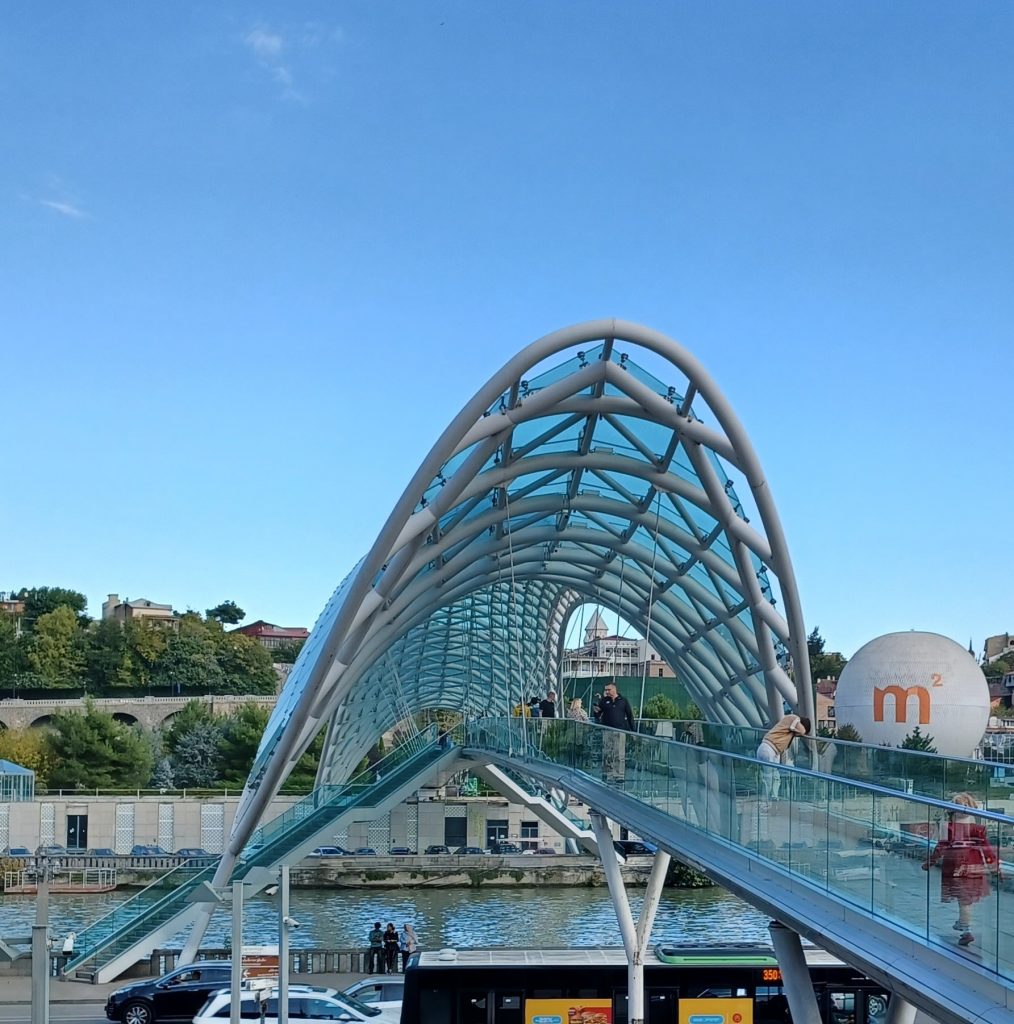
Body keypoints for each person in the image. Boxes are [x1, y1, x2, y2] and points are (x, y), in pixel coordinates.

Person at [922, 792, 1000, 947]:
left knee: (963, 899)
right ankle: (962, 922)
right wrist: (994, 867)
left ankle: (966, 929)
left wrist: (930, 862)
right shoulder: (977, 828)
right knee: (966, 899)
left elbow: (941, 847)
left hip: (956, 865)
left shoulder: (947, 827)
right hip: (974, 864)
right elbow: (986, 849)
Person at [755, 713, 811, 804]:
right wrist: (803, 733)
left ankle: (773, 797)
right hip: (769, 749)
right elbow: (802, 731)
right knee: (769, 778)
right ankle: (764, 802)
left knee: (775, 776)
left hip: (766, 748)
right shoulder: (794, 718)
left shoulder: (786, 727)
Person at [593, 683, 635, 781]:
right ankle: (607, 773)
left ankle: (619, 775)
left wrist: (633, 731)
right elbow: (598, 715)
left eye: (608, 689)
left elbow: (630, 716)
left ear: (614, 690)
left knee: (619, 754)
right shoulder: (604, 701)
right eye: (606, 690)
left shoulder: (623, 701)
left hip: (620, 731)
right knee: (607, 753)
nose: (607, 692)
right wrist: (596, 711)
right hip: (607, 731)